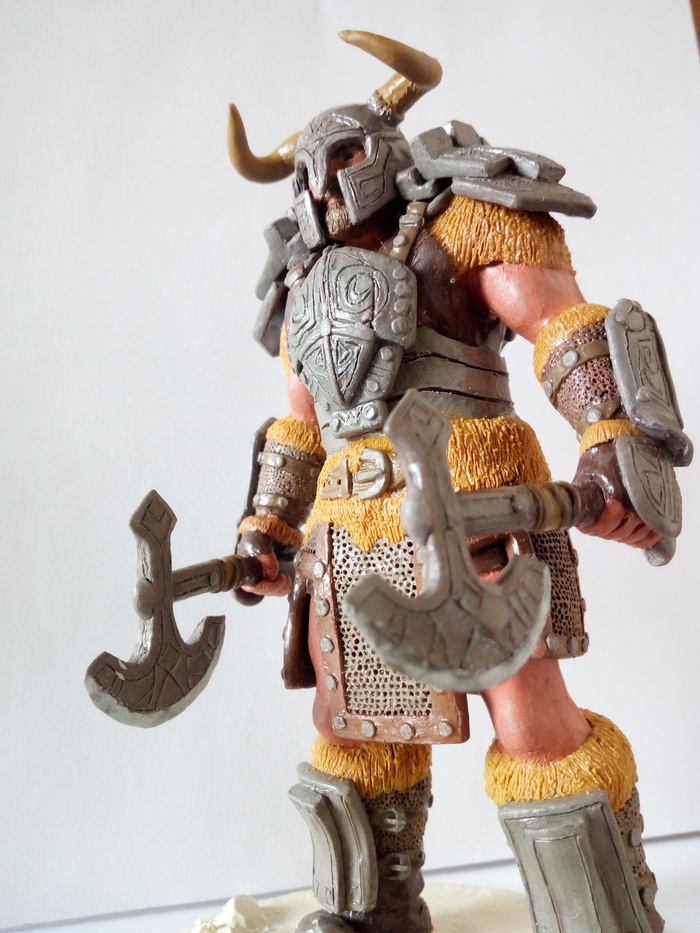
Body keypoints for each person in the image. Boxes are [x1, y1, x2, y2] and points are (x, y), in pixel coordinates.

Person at [229, 30, 687, 933]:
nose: (323, 185)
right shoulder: (302, 283)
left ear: (385, 149)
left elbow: (565, 328)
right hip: (352, 542)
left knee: (532, 722)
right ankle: (373, 913)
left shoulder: (464, 219)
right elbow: (303, 425)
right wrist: (268, 528)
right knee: (356, 736)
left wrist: (611, 438)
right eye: (308, 174)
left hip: (477, 515)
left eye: (343, 156)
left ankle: (596, 912)